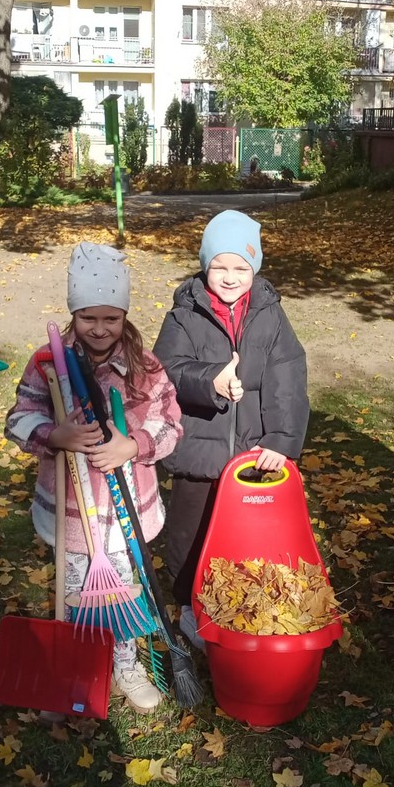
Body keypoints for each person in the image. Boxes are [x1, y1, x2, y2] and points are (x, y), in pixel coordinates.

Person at [5, 243, 182, 714]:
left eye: (111, 318)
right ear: (73, 313)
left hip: (125, 512)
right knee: (76, 592)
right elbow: (17, 419)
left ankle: (125, 662)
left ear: (124, 315)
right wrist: (53, 434)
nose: (100, 329)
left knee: (122, 592)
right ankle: (76, 666)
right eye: (88, 317)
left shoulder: (145, 367)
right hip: (71, 513)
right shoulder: (47, 363)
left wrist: (133, 445)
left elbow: (170, 424)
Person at [154, 208, 309, 649]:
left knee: (248, 537)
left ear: (254, 268)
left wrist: (281, 441)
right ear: (205, 266)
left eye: (241, 268)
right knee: (190, 534)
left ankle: (242, 605)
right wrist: (211, 380)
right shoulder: (184, 315)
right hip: (198, 453)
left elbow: (288, 379)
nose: (229, 277)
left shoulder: (270, 315)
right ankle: (190, 607)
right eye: (219, 266)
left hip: (253, 454)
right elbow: (166, 369)